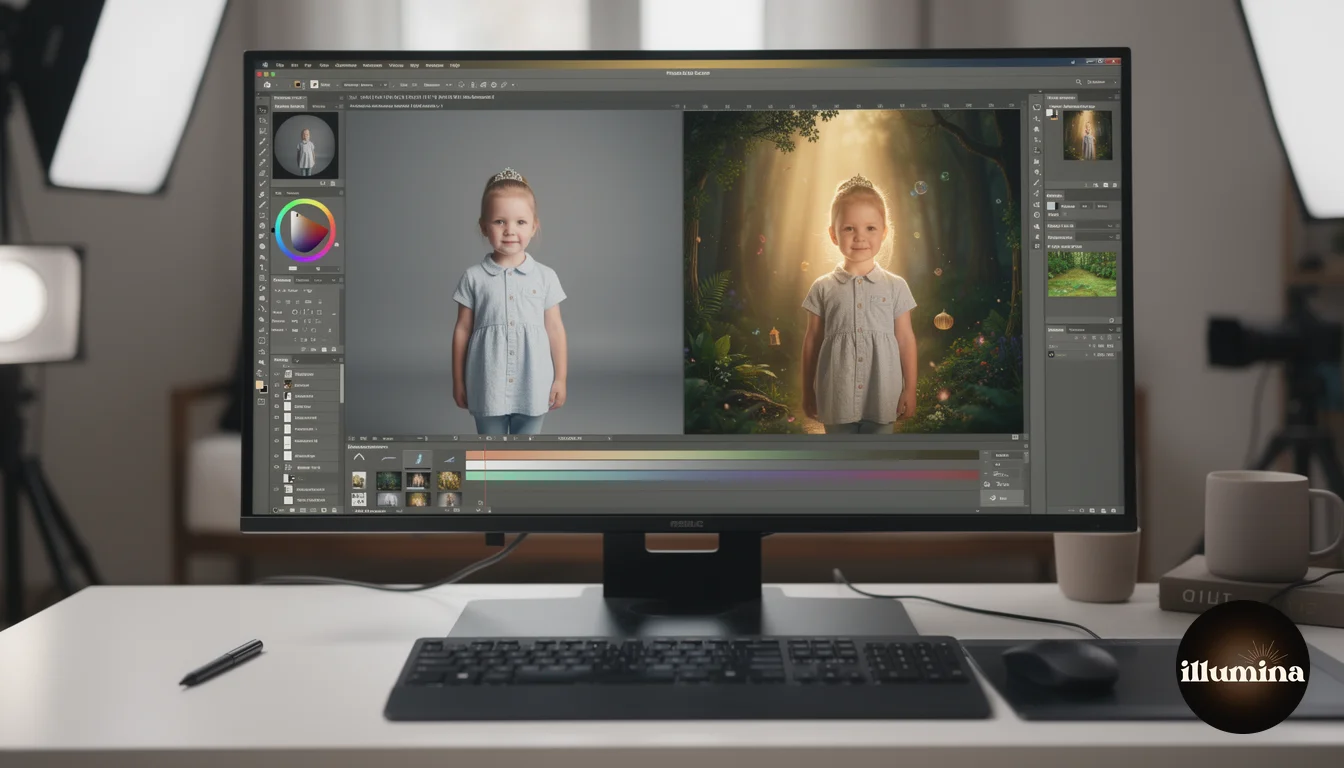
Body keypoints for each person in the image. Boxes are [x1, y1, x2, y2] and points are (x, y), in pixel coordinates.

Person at [452, 167, 568, 435]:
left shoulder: (545, 276)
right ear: (483, 226)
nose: (510, 231)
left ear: (534, 226)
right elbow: (462, 330)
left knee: (525, 456)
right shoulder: (473, 278)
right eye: (499, 221)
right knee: (490, 455)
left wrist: (560, 378)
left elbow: (555, 329)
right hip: (486, 384)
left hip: (534, 384)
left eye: (520, 222)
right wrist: (458, 380)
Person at [801, 174, 918, 435]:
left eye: (870, 228)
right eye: (849, 228)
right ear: (833, 234)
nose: (859, 237)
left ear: (884, 232)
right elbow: (812, 341)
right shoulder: (823, 288)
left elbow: (906, 339)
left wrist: (910, 388)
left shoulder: (896, 286)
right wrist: (808, 390)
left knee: (878, 466)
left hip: (883, 396)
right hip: (836, 397)